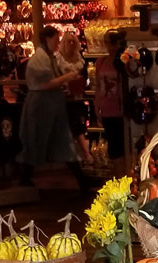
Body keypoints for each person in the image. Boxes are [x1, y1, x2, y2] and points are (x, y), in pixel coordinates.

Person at [18, 26, 92, 192]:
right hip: (41, 106)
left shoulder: (48, 57)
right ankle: (25, 177)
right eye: (56, 39)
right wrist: (67, 77)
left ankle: (81, 179)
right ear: (47, 39)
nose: (58, 43)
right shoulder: (40, 58)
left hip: (51, 106)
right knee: (38, 140)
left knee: (61, 141)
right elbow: (44, 84)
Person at [57, 31, 90, 164]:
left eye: (73, 41)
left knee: (78, 124)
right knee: (72, 125)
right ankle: (83, 154)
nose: (71, 44)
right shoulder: (58, 59)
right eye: (68, 41)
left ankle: (83, 154)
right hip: (63, 99)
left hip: (78, 97)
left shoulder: (80, 59)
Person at [94, 30, 126, 169]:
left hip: (120, 108)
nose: (108, 46)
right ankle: (119, 176)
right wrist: (97, 105)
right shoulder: (101, 62)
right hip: (107, 108)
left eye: (110, 42)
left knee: (121, 144)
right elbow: (97, 85)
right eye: (106, 42)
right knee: (113, 146)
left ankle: (124, 175)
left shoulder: (123, 61)